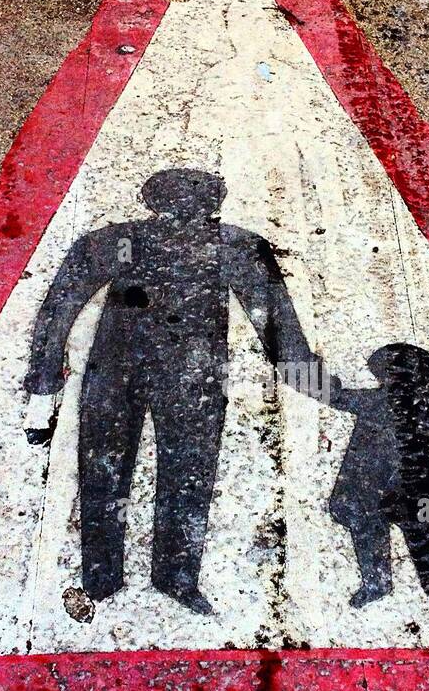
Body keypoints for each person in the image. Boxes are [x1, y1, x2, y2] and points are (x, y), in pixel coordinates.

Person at [24, 168, 327, 614]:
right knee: (168, 476)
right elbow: (61, 305)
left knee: (143, 475)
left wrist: (43, 389)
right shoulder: (226, 242)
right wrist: (306, 376)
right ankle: (141, 578)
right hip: (171, 375)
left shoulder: (128, 239)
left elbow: (59, 309)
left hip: (151, 375)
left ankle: (139, 578)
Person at [329, 343, 429, 609]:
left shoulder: (377, 400)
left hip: (390, 490)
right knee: (419, 536)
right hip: (404, 491)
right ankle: (420, 587)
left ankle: (416, 586)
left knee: (408, 534)